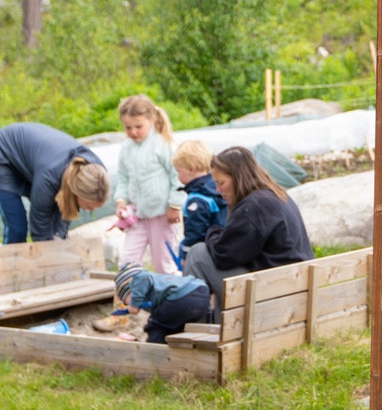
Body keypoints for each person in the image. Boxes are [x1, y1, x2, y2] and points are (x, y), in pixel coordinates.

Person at [182, 145, 313, 309]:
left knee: (197, 253)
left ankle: (189, 323)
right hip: (293, 285)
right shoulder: (273, 194)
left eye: (221, 182)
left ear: (238, 177)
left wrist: (213, 231)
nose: (217, 189)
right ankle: (217, 324)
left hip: (274, 293)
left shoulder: (254, 207)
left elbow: (224, 256)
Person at [0, 122, 109, 244]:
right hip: (0, 155)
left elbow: (65, 212)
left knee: (56, 232)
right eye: (89, 205)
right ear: (76, 192)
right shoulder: (49, 179)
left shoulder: (94, 172)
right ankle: (11, 266)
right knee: (17, 227)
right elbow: (39, 230)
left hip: (38, 162)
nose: (92, 210)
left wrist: (60, 238)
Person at [112, 94, 183, 272]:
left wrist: (175, 204)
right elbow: (123, 178)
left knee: (163, 262)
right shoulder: (126, 149)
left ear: (151, 120)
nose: (133, 132)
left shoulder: (162, 144)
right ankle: (128, 297)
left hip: (162, 215)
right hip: (138, 216)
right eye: (128, 127)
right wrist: (121, 201)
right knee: (128, 261)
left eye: (138, 126)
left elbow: (178, 176)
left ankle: (173, 297)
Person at [109, 262, 211, 344]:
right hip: (201, 293)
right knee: (170, 327)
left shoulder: (138, 279)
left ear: (130, 289)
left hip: (181, 296)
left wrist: (134, 305)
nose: (128, 305)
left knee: (155, 325)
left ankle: (152, 354)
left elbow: (141, 276)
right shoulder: (157, 288)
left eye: (126, 301)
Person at [172, 139, 226, 257]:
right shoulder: (218, 189)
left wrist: (186, 256)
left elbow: (195, 232)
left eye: (178, 171)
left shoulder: (196, 199)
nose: (178, 176)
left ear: (191, 169)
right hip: (220, 247)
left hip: (203, 252)